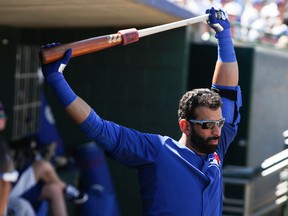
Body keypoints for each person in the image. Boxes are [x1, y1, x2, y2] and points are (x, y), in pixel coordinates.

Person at [40, 6, 241, 216]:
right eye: (208, 125)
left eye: (218, 123)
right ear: (185, 126)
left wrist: (224, 36)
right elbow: (98, 129)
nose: (217, 131)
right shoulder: (159, 151)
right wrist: (56, 80)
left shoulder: (216, 146)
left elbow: (226, 92)